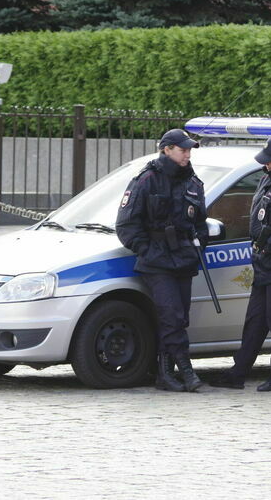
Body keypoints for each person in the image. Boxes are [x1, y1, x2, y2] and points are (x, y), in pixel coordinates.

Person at [115, 129, 208, 392]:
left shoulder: (193, 182)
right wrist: (147, 250)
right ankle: (187, 372)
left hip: (184, 259)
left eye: (189, 150)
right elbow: (126, 225)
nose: (187, 155)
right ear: (166, 149)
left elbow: (201, 222)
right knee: (171, 316)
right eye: (183, 150)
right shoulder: (146, 180)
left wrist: (197, 246)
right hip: (157, 261)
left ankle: (165, 374)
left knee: (179, 319)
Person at [210, 135, 271, 391]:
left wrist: (265, 244)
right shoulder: (268, 178)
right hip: (263, 261)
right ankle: (238, 372)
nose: (266, 164)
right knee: (255, 321)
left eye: (270, 160)